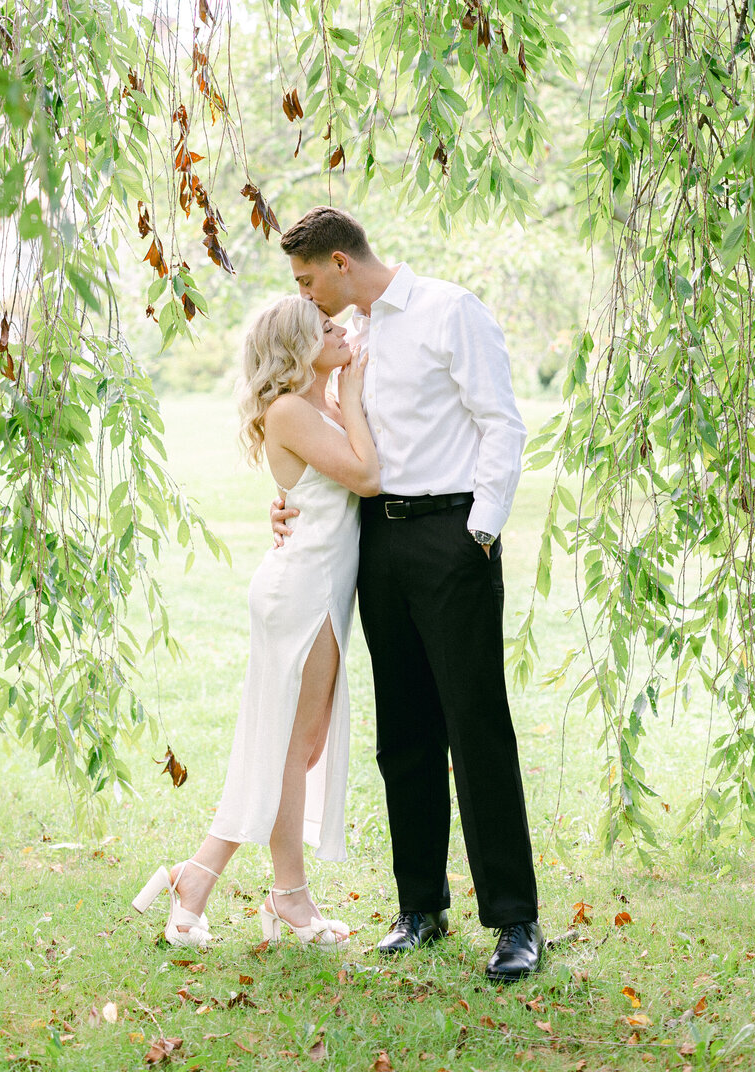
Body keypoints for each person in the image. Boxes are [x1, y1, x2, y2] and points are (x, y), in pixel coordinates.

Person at [273, 207, 544, 984]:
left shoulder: (448, 310)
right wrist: (287, 500)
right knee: (405, 736)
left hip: (452, 536)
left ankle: (516, 920)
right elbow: (334, 444)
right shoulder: (353, 338)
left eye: (307, 280)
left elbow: (502, 425)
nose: (307, 297)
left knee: (476, 728)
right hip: (378, 545)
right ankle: (420, 907)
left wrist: (480, 533)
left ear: (339, 263)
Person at [132, 295, 380, 947]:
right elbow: (365, 475)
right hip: (303, 590)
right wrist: (351, 396)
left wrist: (346, 396)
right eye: (326, 329)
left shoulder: (311, 407)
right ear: (298, 349)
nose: (341, 331)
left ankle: (211, 880)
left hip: (314, 587)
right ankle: (268, 892)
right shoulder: (294, 409)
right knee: (289, 749)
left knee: (295, 747)